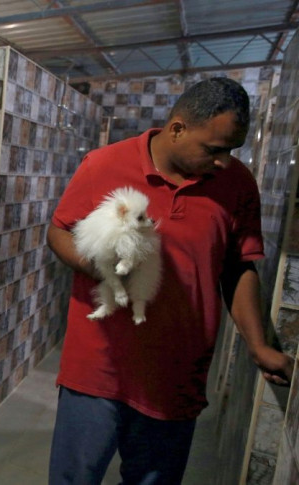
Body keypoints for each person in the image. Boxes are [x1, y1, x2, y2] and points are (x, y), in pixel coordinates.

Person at [46, 77, 294, 484]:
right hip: (97, 369)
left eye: (232, 150)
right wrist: (101, 269)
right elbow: (59, 232)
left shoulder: (238, 185)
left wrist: (258, 345)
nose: (224, 162)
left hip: (176, 375)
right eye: (214, 150)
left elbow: (239, 268)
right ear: (177, 129)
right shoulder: (104, 164)